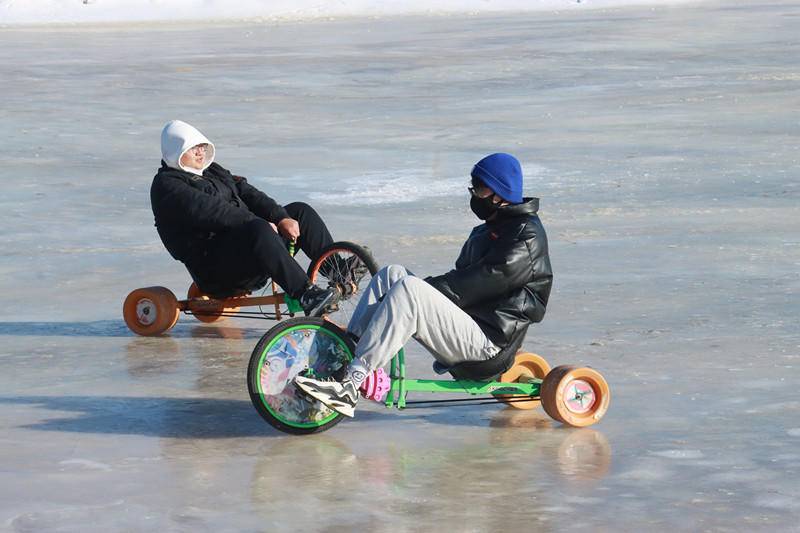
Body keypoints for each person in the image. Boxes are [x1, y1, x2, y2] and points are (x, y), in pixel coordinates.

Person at [295, 153, 553, 417]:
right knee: (391, 275)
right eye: (473, 186)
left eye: (480, 188)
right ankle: (341, 359)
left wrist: (415, 291)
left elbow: (475, 284)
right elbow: (461, 281)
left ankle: (350, 385)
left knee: (409, 290)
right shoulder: (485, 231)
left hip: (488, 346)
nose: (474, 194)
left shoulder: (526, 237)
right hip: (469, 329)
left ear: (500, 194)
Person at [151, 119, 339, 316]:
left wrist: (281, 217)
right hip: (217, 270)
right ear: (176, 152)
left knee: (300, 213)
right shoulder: (167, 186)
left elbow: (248, 193)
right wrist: (256, 223)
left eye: (201, 146)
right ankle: (305, 294)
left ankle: (339, 272)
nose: (200, 152)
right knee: (257, 228)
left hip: (249, 252)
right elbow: (214, 210)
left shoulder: (212, 170)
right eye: (192, 149)